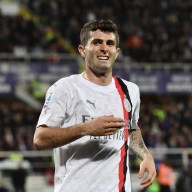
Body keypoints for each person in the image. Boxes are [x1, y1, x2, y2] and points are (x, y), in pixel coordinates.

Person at [33, 19, 156, 192]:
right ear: (82, 50)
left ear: (117, 52)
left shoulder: (130, 90)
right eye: (96, 42)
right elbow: (40, 139)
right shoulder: (65, 88)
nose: (104, 48)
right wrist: (86, 128)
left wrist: (146, 155)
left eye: (110, 43)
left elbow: (131, 128)